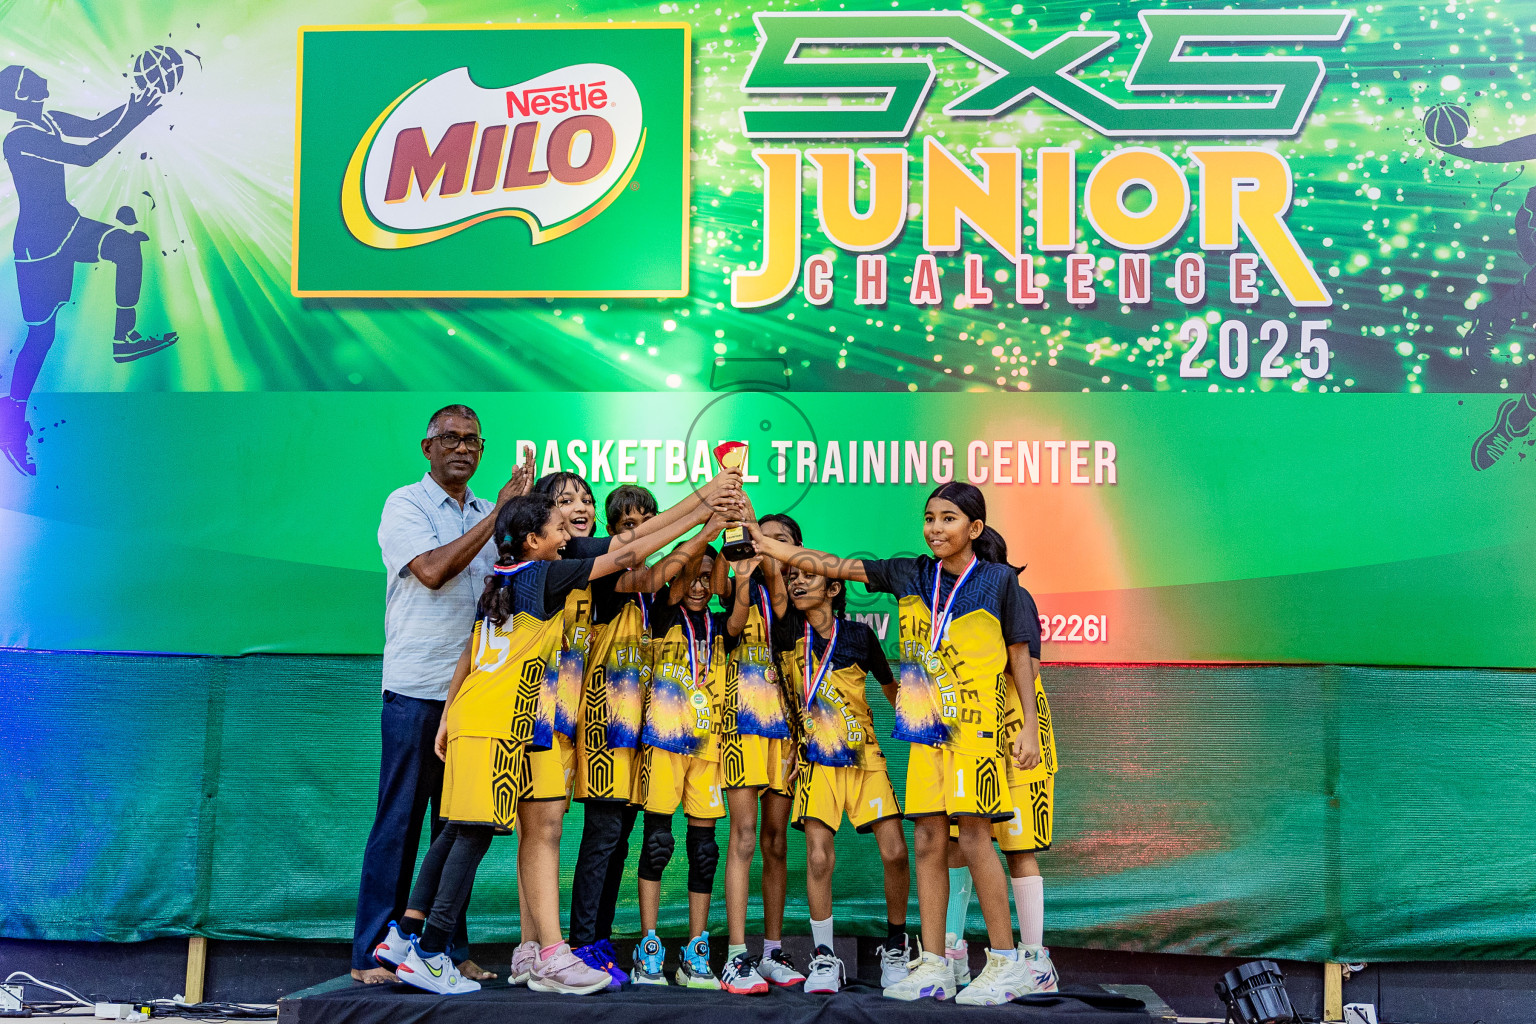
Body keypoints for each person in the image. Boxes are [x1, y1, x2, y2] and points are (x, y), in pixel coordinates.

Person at [386, 487, 732, 995]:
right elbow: (631, 551)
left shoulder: (502, 579)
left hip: (481, 715)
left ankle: (411, 936)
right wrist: (706, 503)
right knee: (474, 833)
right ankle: (432, 951)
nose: (570, 527)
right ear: (536, 538)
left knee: (461, 831)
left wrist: (450, 713)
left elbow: (475, 649)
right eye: (558, 520)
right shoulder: (545, 574)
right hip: (502, 721)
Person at [743, 481, 1043, 1005]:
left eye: (949, 519)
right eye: (929, 518)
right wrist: (768, 545)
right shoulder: (910, 573)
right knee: (928, 838)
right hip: (925, 732)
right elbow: (835, 565)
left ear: (974, 529)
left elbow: (1021, 658)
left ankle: (1005, 962)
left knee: (973, 837)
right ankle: (933, 965)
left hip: (975, 731)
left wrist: (1028, 727)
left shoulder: (998, 581)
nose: (935, 528)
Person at [352, 406, 530, 985]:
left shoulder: (487, 513)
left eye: (473, 440)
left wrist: (513, 518)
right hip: (416, 689)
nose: (462, 447)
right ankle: (372, 952)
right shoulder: (405, 504)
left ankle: (444, 950)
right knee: (399, 826)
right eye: (450, 438)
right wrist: (499, 514)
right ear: (426, 447)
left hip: (474, 697)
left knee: (459, 829)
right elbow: (431, 571)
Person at [566, 483, 736, 987]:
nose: (636, 534)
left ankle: (596, 942)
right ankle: (578, 944)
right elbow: (662, 569)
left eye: (646, 523)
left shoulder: (653, 598)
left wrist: (721, 528)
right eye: (626, 528)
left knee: (616, 840)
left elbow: (690, 579)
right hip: (604, 722)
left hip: (639, 731)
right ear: (612, 535)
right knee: (601, 839)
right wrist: (706, 516)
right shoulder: (608, 579)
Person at [0, 64, 177, 475]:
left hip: (67, 225)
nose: (38, 77)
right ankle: (11, 423)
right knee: (42, 336)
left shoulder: (47, 119)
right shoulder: (20, 137)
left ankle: (124, 337)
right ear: (23, 95)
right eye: (29, 77)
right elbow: (86, 154)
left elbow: (97, 125)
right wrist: (136, 116)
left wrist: (134, 103)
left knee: (126, 247)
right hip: (39, 246)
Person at [777, 561, 912, 995]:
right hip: (816, 762)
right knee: (818, 858)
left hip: (865, 760)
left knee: (894, 853)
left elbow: (895, 695)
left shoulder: (860, 636)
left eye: (807, 576)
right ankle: (823, 957)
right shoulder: (786, 633)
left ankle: (895, 945)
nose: (796, 582)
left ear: (835, 587)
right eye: (791, 577)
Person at [942, 529, 1059, 994]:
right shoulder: (942, 600)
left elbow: (1025, 665)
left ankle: (1034, 960)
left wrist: (1026, 726)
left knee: (1017, 846)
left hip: (1016, 727)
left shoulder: (1012, 593)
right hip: (972, 729)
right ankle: (951, 949)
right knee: (962, 839)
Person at [631, 533, 733, 989]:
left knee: (705, 853)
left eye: (705, 578)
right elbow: (676, 579)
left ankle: (696, 951)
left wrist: (733, 528)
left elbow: (738, 583)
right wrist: (708, 524)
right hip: (663, 742)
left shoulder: (721, 622)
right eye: (690, 575)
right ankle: (649, 948)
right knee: (657, 844)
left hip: (706, 749)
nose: (696, 585)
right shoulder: (661, 612)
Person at [717, 530, 795, 994]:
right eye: (759, 538)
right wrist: (744, 569)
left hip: (784, 728)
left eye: (779, 541)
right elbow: (731, 618)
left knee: (777, 841)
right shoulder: (732, 586)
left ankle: (771, 951)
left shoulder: (788, 597)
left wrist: (770, 555)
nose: (764, 546)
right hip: (740, 724)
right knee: (744, 837)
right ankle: (735, 955)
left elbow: (781, 602)